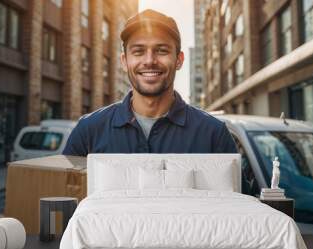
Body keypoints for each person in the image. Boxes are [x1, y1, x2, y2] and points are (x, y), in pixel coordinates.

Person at [63, 9, 237, 156]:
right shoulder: (88, 131)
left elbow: (238, 196)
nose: (149, 60)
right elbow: (65, 191)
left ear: (179, 60)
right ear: (124, 61)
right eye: (138, 51)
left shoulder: (214, 134)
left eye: (161, 50)